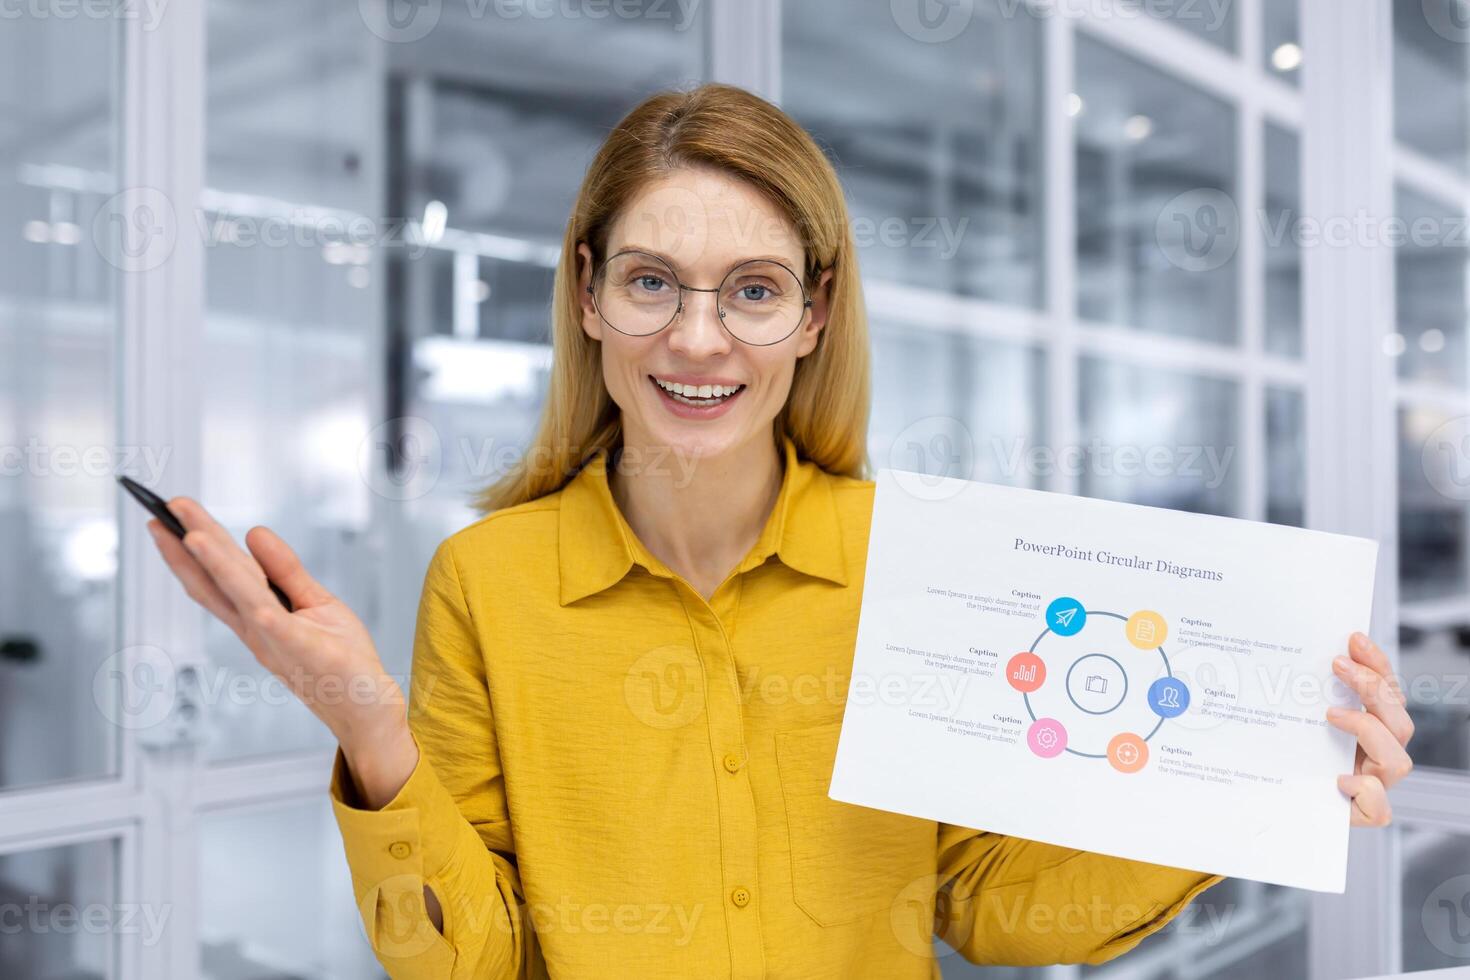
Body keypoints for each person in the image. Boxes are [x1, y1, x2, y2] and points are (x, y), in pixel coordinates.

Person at [146, 83, 1414, 979]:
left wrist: (1255, 775)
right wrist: (371, 728)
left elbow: (994, 906)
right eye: (652, 281)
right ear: (587, 295)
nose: (698, 339)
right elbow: (467, 958)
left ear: (814, 316)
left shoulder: (919, 565)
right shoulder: (489, 581)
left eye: (753, 292)